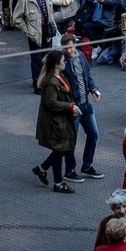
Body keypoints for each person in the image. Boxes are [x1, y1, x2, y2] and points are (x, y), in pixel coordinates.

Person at [32, 49, 80, 194]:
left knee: (62, 149)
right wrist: (70, 106)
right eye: (63, 61)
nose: (65, 62)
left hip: (62, 120)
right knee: (61, 149)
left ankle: (41, 169)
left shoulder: (59, 77)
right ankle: (58, 182)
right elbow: (51, 103)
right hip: (56, 122)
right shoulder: (52, 82)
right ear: (57, 64)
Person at [61, 34, 104, 182]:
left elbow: (88, 74)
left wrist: (94, 89)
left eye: (71, 47)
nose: (69, 51)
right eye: (66, 48)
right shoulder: (62, 62)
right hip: (74, 106)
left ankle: (87, 165)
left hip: (85, 103)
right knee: (71, 139)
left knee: (93, 134)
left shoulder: (80, 56)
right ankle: (70, 170)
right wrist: (70, 104)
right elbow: (61, 86)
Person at [13, 0, 57, 91]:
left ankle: (48, 82)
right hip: (35, 33)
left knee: (48, 58)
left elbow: (50, 10)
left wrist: (52, 23)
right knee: (37, 60)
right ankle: (38, 85)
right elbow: (16, 18)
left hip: (47, 31)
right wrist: (28, 30)